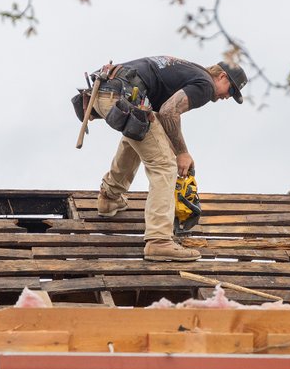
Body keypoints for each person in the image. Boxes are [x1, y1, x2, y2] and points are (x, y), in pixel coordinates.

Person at [84, 56, 247, 262]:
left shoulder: (191, 70)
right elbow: (170, 111)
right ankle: (159, 241)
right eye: (231, 90)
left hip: (104, 92)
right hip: (122, 95)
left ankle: (109, 198)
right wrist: (181, 153)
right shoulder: (205, 85)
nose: (227, 97)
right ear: (222, 75)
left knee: (138, 135)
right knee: (165, 165)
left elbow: (161, 116)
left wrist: (176, 149)